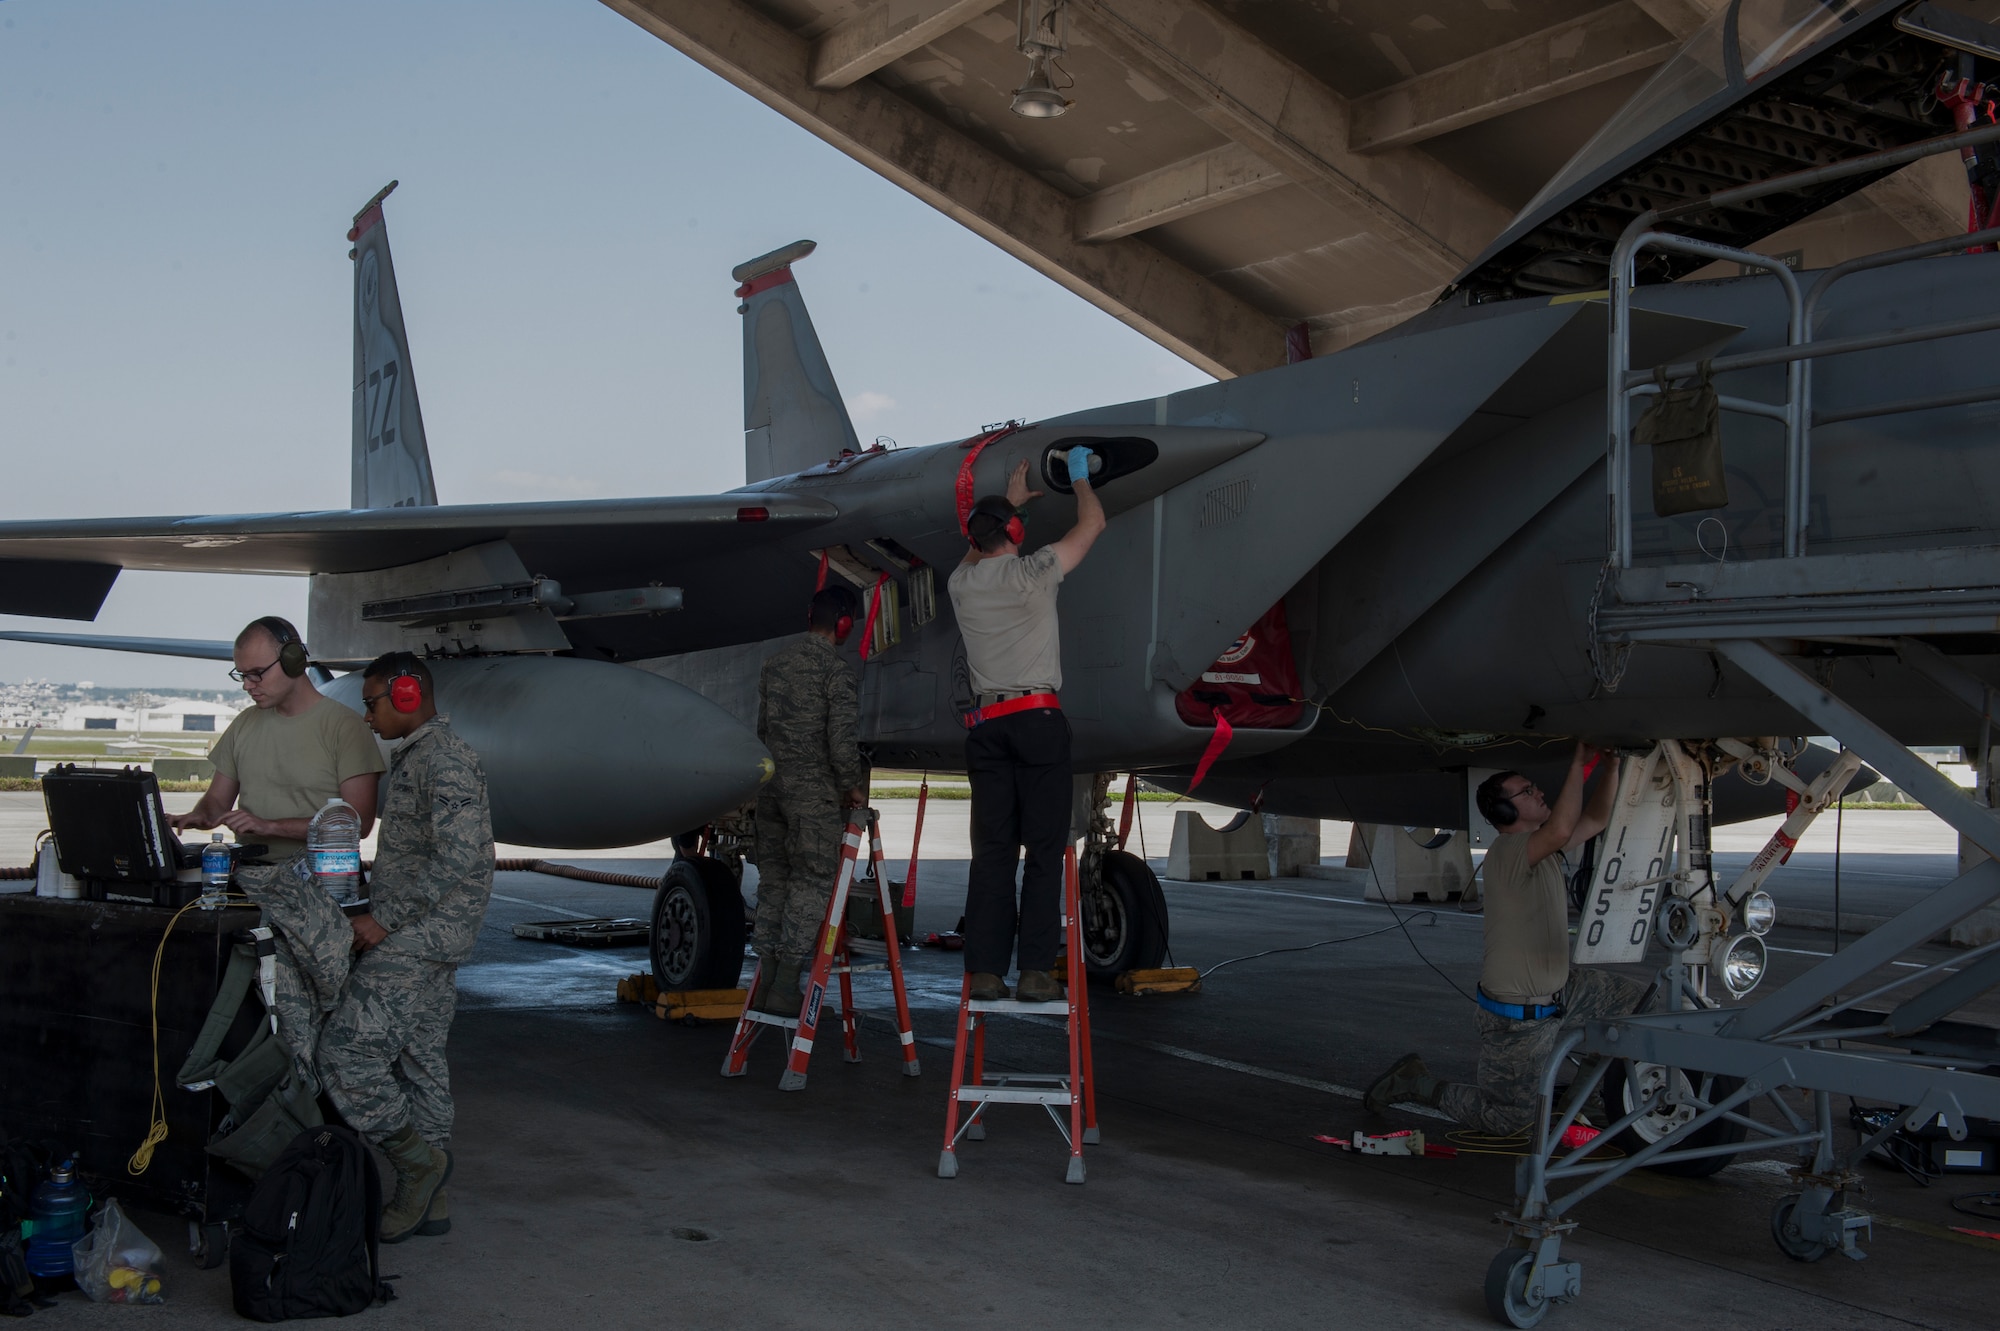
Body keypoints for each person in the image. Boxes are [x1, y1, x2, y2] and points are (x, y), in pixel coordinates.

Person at [1364, 744, 1646, 1133]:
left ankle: (1588, 1101)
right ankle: (1416, 1082)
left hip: (1564, 990)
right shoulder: (1509, 850)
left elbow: (1596, 818)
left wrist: (1612, 766)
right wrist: (1579, 765)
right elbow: (1564, 827)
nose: (1539, 793)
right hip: (1518, 1015)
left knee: (1640, 1008)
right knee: (1510, 1120)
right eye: (1527, 791)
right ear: (1504, 812)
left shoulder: (1545, 850)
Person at [315, 652, 493, 1243]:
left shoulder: (444, 760)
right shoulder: (423, 757)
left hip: (416, 938)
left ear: (408, 694)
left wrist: (383, 919)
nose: (367, 717)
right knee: (420, 1063)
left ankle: (418, 1166)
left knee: (346, 1053)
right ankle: (433, 1202)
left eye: (371, 703)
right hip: (430, 936)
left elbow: (461, 854)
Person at [948, 447, 1105, 1003]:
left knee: (992, 853)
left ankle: (986, 972)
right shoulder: (1036, 572)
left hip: (986, 729)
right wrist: (1081, 477)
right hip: (1037, 721)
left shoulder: (960, 585)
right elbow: (1093, 524)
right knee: (1043, 850)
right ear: (1015, 531)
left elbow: (974, 556)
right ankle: (1035, 971)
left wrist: (1004, 508)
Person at [172, 616, 383, 862]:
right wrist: (202, 816)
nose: (248, 686)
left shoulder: (345, 727)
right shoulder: (244, 724)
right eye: (242, 675)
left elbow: (358, 824)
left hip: (318, 881)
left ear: (292, 661)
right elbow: (217, 800)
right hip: (249, 872)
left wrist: (270, 827)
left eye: (256, 674)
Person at [750, 585, 866, 1014]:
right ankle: (784, 986)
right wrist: (852, 786)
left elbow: (762, 731)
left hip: (772, 792)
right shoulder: (837, 673)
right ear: (843, 625)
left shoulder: (774, 666)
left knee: (774, 882)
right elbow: (840, 745)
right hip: (812, 798)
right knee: (811, 883)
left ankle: (763, 983)